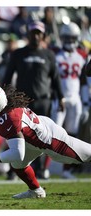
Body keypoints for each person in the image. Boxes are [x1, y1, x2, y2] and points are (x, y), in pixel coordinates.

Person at [2, 20, 65, 179]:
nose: (36, 36)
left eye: (38, 33)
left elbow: (55, 78)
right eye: (33, 33)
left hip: (43, 100)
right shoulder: (18, 53)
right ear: (28, 34)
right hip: (21, 103)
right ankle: (13, 170)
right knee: (17, 136)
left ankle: (40, 169)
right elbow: (8, 77)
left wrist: (61, 98)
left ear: (43, 35)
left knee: (42, 137)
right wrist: (5, 96)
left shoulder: (49, 54)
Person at [49, 22, 89, 179]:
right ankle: (49, 167)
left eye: (72, 37)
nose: (69, 40)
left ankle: (66, 170)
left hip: (76, 99)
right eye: (67, 37)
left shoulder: (82, 56)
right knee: (52, 133)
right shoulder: (55, 54)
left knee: (72, 135)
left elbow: (84, 81)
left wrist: (85, 103)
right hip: (59, 98)